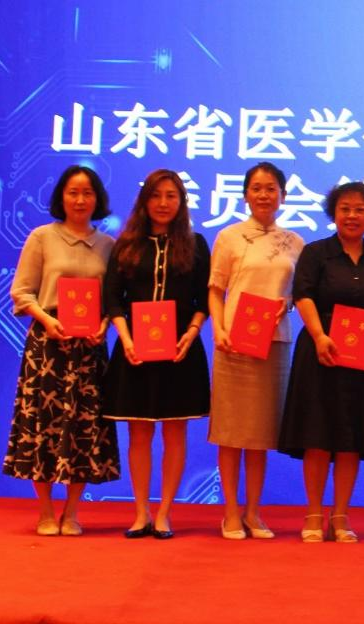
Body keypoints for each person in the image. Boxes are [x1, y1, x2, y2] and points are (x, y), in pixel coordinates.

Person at [278, 182, 364, 543]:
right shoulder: (316, 253)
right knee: (317, 433)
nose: (352, 216)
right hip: (321, 349)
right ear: (334, 213)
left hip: (363, 353)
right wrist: (319, 336)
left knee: (351, 436)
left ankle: (341, 516)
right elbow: (303, 295)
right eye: (345, 208)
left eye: (360, 209)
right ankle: (314, 513)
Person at [4, 164, 119, 536]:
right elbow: (22, 292)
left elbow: (114, 299)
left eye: (87, 193)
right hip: (48, 344)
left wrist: (104, 324)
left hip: (89, 349)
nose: (80, 200)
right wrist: (46, 320)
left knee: (84, 428)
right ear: (61, 197)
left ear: (97, 199)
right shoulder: (42, 237)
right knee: (44, 426)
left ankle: (71, 512)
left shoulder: (108, 245)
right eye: (73, 192)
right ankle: (45, 512)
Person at [102, 169, 211, 540]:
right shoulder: (126, 244)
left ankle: (164, 512)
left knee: (175, 432)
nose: (163, 203)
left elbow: (203, 299)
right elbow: (112, 297)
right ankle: (140, 512)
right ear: (144, 200)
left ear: (181, 202)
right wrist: (126, 338)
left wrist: (191, 333)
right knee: (139, 433)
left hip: (181, 351)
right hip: (135, 349)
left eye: (171, 196)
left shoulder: (195, 244)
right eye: (156, 195)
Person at [206, 162, 303, 540]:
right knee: (231, 431)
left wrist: (287, 303)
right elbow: (216, 290)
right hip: (233, 341)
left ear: (283, 195)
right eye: (257, 188)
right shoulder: (229, 237)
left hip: (274, 343)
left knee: (261, 434)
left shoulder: (295, 242)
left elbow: (298, 294)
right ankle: (230, 512)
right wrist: (219, 329)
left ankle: (253, 512)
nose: (264, 195)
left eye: (271, 188)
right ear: (246, 194)